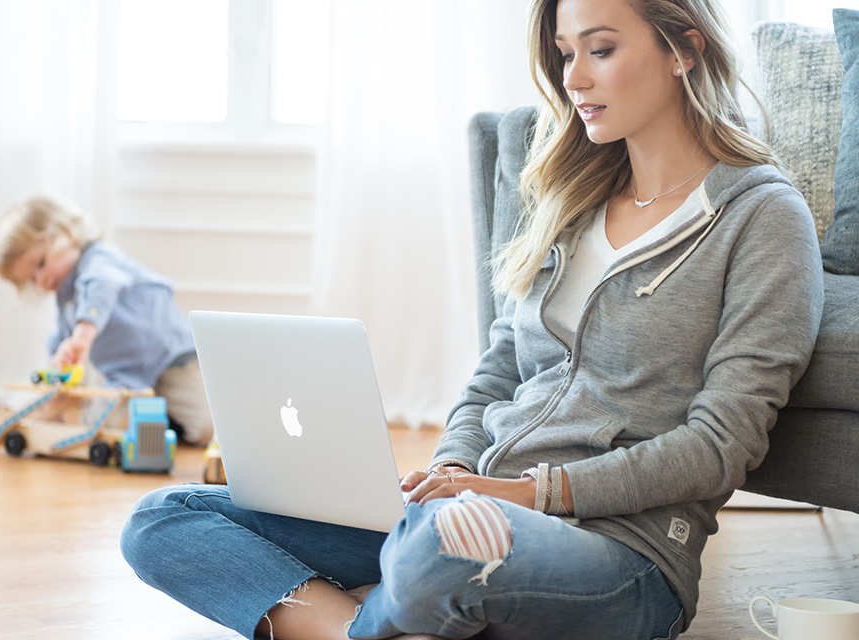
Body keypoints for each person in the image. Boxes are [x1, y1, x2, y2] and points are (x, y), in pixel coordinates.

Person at [119, 0, 824, 637]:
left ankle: (385, 608)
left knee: (435, 554)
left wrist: (521, 493)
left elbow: (718, 446)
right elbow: (498, 368)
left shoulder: (762, 219)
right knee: (162, 519)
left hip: (622, 552)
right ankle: (378, 624)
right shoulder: (572, 198)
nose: (574, 77)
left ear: (684, 51)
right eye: (564, 53)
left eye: (600, 49)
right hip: (472, 508)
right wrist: (454, 464)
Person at [0, 195, 213, 446]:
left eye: (41, 264)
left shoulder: (100, 259)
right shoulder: (64, 294)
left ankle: (166, 414)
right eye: (32, 279)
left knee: (206, 429)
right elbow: (61, 337)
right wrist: (55, 377)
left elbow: (101, 287)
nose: (41, 282)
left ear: (67, 230)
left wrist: (82, 336)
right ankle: (151, 412)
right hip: (124, 373)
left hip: (172, 358)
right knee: (99, 429)